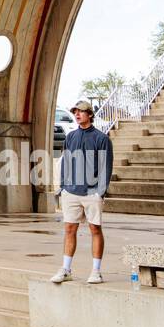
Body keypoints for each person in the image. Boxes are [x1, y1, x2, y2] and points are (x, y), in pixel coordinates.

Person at [51, 99, 113, 285]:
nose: (77, 115)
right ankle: (66, 269)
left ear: (90, 115)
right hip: (71, 191)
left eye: (81, 111)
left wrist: (99, 192)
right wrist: (63, 186)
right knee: (69, 229)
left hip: (92, 192)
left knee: (95, 229)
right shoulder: (70, 137)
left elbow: (105, 167)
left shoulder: (102, 139)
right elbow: (66, 162)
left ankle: (96, 271)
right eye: (75, 111)